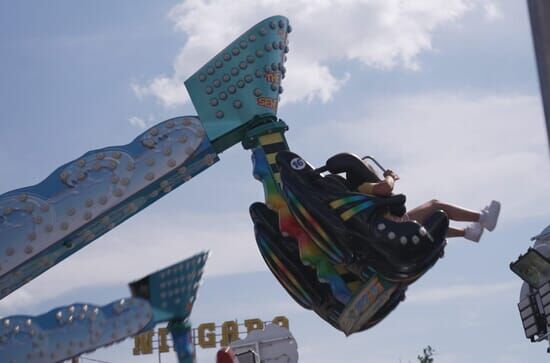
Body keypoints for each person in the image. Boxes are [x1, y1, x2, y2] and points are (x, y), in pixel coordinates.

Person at [356, 167, 500, 242]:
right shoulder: (362, 188)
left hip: (390, 227)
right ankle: (483, 218)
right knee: (435, 205)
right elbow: (386, 187)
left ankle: (468, 233)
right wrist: (390, 176)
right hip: (394, 227)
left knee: (428, 223)